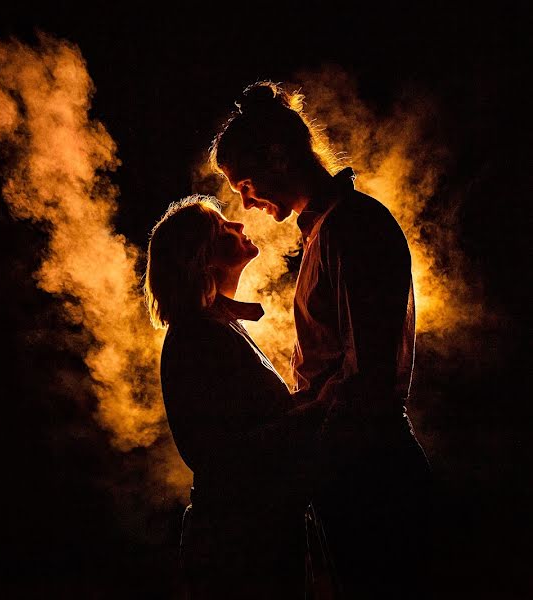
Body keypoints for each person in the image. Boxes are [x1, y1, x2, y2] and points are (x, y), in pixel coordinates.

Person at [210, 81, 433, 598]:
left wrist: (283, 436)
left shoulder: (350, 228)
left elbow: (366, 380)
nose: (245, 200)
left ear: (278, 156)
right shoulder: (327, 230)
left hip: (373, 475)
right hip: (355, 469)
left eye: (245, 182)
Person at [144, 195, 326, 598]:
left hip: (252, 534)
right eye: (224, 226)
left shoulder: (215, 327)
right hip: (240, 545)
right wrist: (320, 408)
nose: (240, 226)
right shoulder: (199, 335)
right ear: (202, 255)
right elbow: (221, 452)